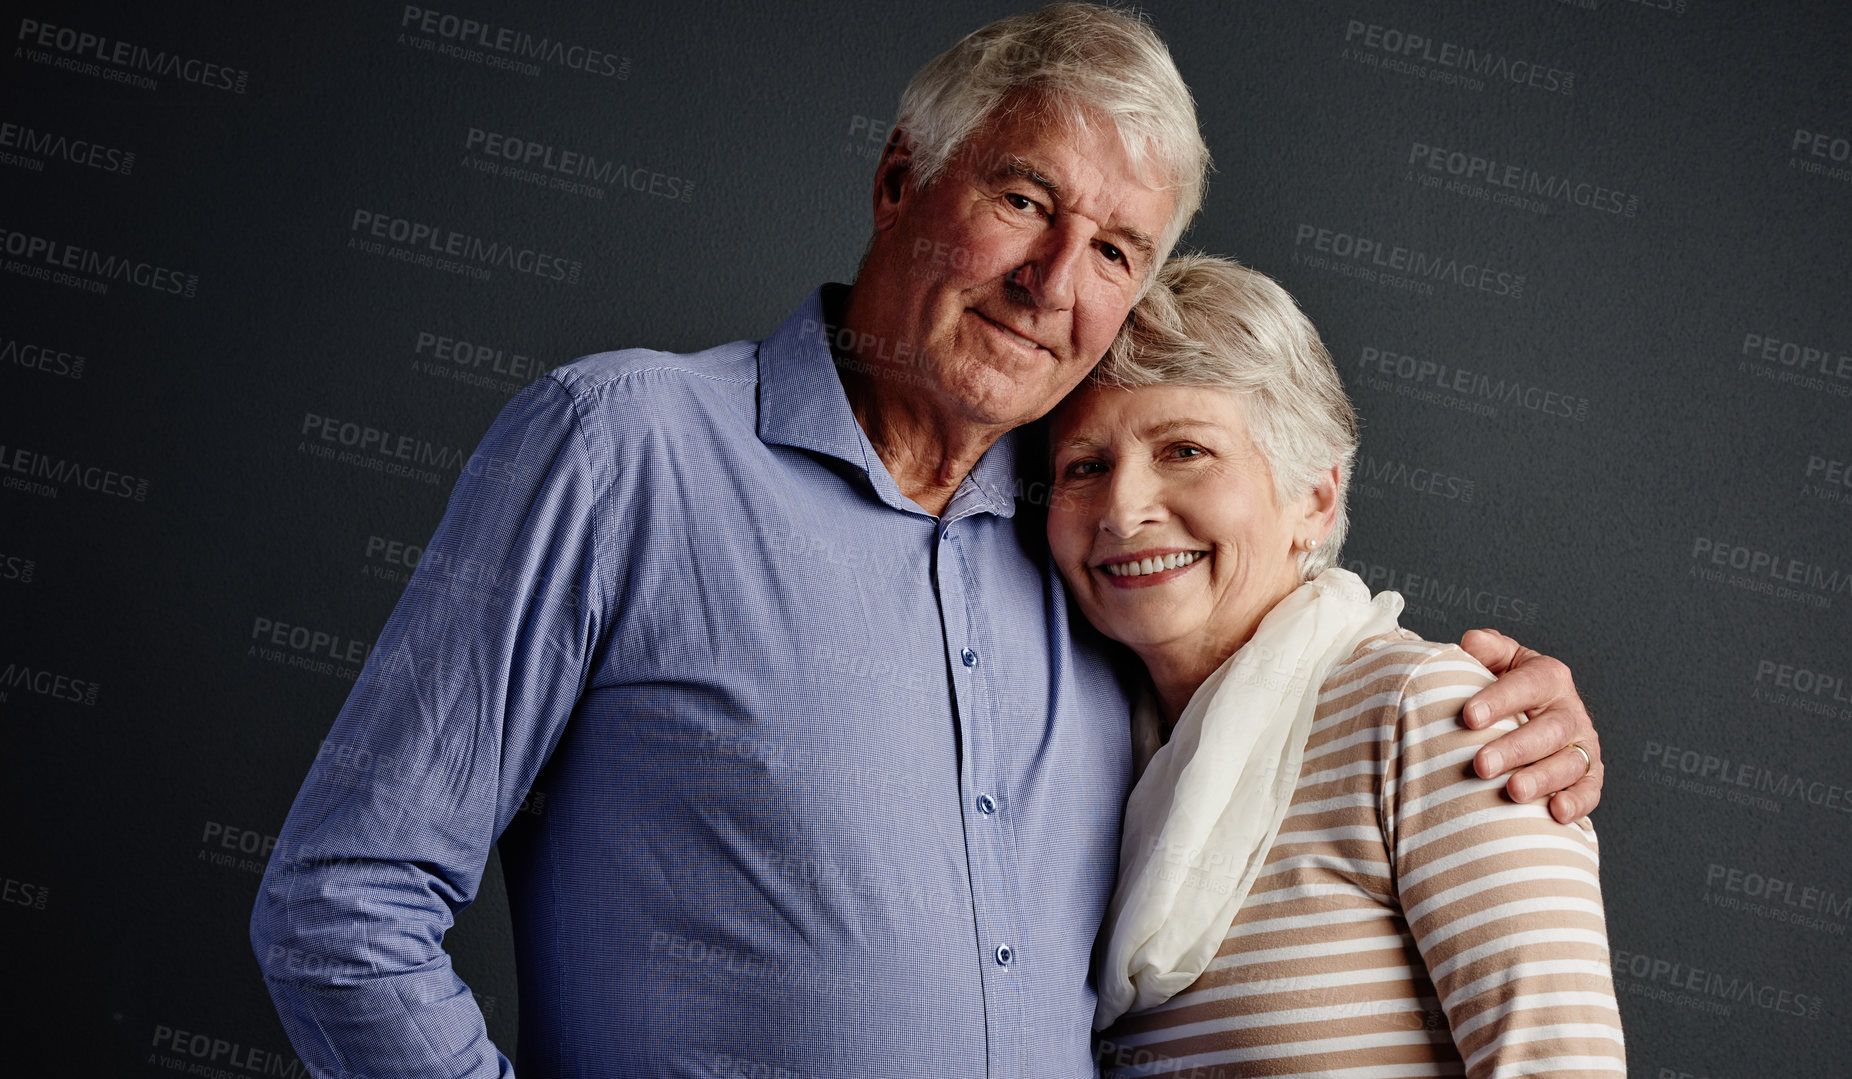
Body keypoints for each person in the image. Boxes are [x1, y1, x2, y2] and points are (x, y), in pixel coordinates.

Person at [249, 7, 1607, 1077]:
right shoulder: (627, 447)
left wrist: (1513, 725)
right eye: (1024, 199)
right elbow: (343, 902)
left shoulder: (1079, 541)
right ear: (903, 175)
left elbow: (1279, 681)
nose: (1055, 283)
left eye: (1118, 249)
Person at [1050, 255, 1622, 1077]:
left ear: (1314, 500)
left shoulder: (1431, 714)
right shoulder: (1100, 760)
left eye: (1183, 450)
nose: (1122, 509)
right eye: (1084, 466)